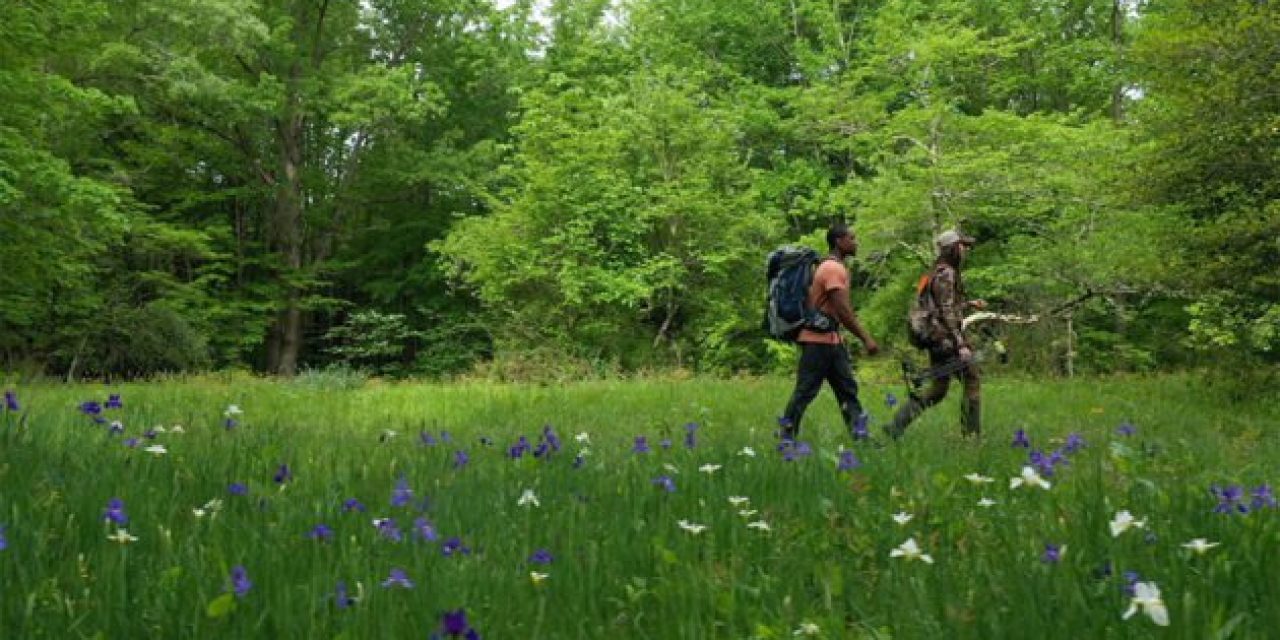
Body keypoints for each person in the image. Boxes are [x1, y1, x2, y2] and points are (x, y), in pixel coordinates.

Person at [779, 223, 880, 441]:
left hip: (831, 341)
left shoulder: (832, 267)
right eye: (851, 238)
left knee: (847, 391)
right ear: (839, 241)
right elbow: (842, 310)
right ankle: (786, 439)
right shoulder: (833, 269)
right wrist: (866, 339)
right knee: (805, 392)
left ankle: (862, 438)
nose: (856, 242)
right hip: (818, 343)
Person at [888, 229, 986, 438]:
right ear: (952, 248)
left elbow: (940, 304)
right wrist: (961, 344)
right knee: (972, 378)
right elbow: (946, 310)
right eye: (962, 246)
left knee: (938, 390)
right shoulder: (947, 273)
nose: (965, 250)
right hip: (946, 339)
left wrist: (969, 304)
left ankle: (897, 424)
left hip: (936, 338)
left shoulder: (936, 271)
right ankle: (971, 436)